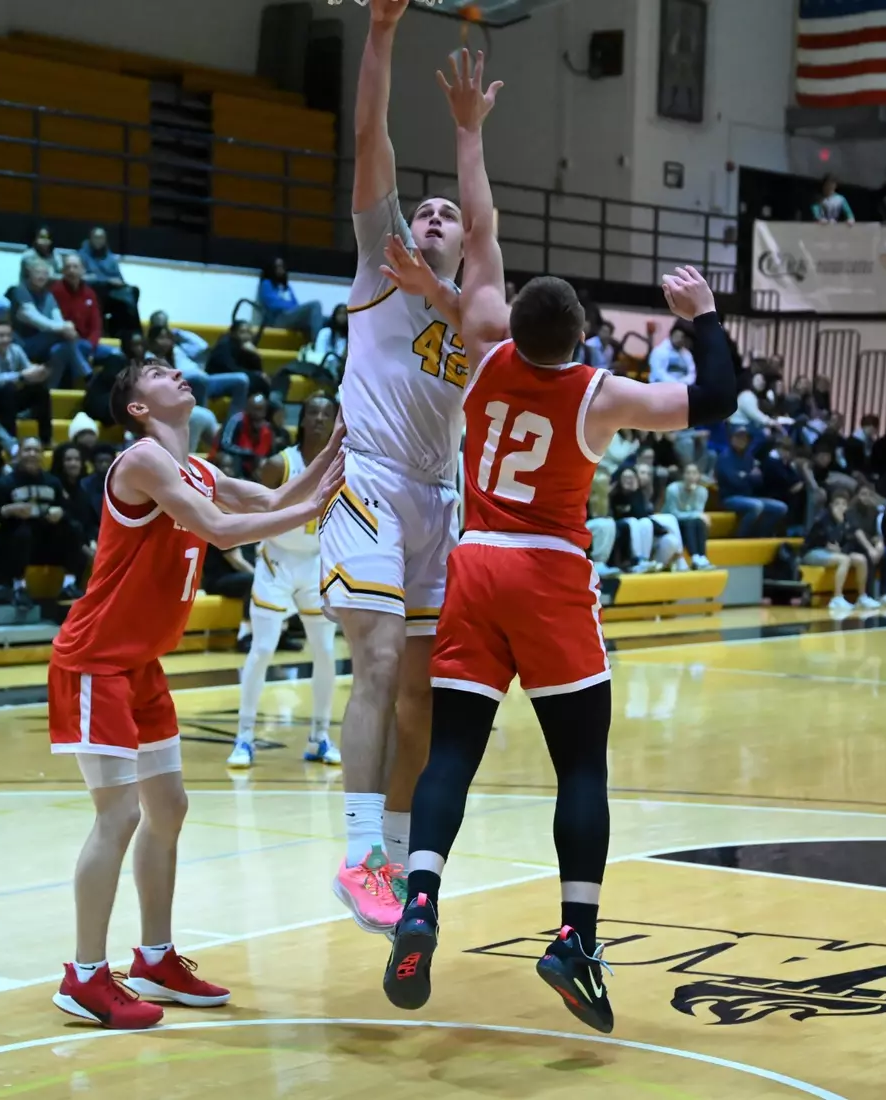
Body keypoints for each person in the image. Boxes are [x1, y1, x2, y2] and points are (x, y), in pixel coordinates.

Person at [373, 50, 739, 1033]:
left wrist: (466, 131)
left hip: (473, 561)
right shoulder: (597, 393)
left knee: (454, 746)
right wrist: (701, 320)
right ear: (579, 337)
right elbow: (713, 400)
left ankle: (418, 894)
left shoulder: (481, 350)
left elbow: (480, 231)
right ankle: (576, 933)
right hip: (546, 573)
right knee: (580, 762)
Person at [46, 356, 344, 1030]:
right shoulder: (143, 461)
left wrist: (338, 446)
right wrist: (317, 503)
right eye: (157, 373)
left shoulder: (198, 469)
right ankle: (85, 975)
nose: (176, 374)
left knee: (169, 806)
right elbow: (222, 529)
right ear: (139, 407)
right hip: (96, 659)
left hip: (141, 663)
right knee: (119, 815)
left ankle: (155, 959)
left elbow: (268, 501)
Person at [319, 0, 472, 932]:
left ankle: (407, 852)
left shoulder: (469, 311)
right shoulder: (382, 260)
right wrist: (381, 32)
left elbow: (485, 319)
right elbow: (370, 133)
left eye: (447, 212)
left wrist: (450, 291)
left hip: (437, 503)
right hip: (370, 481)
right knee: (374, 662)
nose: (431, 213)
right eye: (424, 206)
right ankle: (358, 850)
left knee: (422, 689)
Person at [230, 395, 344, 768]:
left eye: (328, 413)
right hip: (276, 561)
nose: (320, 418)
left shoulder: (344, 465)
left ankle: (319, 737)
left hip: (316, 562)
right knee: (263, 650)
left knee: (326, 653)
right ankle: (244, 737)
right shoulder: (280, 463)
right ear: (302, 418)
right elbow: (255, 510)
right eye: (313, 411)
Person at [0, 438, 88, 609]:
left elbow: (70, 512)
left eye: (36, 450)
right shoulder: (5, 483)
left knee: (73, 528)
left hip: (45, 544)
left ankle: (68, 585)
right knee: (22, 532)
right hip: (13, 544)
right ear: (19, 454)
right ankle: (19, 587)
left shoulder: (53, 482)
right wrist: (8, 510)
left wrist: (61, 513)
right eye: (28, 450)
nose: (32, 454)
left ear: (42, 455)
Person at [0, 318, 54, 448]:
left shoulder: (15, 349)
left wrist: (39, 372)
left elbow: (28, 369)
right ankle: (11, 439)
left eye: (8, 335)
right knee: (8, 389)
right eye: (1, 335)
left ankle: (46, 439)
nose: (5, 339)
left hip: (10, 396)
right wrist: (22, 376)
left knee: (40, 390)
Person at [13, 254, 91, 385]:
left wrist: (66, 327)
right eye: (38, 272)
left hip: (45, 342)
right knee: (64, 338)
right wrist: (64, 328)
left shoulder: (48, 294)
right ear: (29, 273)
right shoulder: (20, 290)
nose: (42, 276)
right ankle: (86, 374)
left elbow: (57, 317)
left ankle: (50, 390)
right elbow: (35, 319)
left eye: (45, 273)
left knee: (62, 348)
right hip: (23, 344)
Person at [803, 490, 873, 612]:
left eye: (843, 504)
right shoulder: (822, 518)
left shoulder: (848, 519)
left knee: (861, 559)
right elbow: (828, 541)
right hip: (813, 552)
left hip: (834, 553)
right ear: (831, 506)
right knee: (844, 560)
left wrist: (842, 548)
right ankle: (837, 598)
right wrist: (839, 524)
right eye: (837, 504)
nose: (840, 507)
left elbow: (849, 542)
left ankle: (862, 596)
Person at [716, 426, 786, 537]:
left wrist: (744, 476)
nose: (742, 441)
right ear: (732, 438)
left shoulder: (749, 458)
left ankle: (762, 536)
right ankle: (740, 538)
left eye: (745, 438)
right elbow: (733, 481)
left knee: (780, 507)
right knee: (756, 506)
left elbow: (759, 481)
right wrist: (749, 476)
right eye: (739, 437)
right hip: (729, 498)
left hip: (749, 496)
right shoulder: (724, 457)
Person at [78, 227, 139, 341]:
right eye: (96, 237)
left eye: (101, 238)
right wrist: (106, 280)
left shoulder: (110, 257)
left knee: (133, 291)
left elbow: (119, 279)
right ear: (90, 239)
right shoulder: (82, 255)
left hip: (111, 293)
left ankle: (132, 332)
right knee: (100, 290)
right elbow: (82, 278)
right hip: (92, 293)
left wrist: (117, 283)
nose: (98, 240)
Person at [257, 257, 327, 343]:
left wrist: (290, 305)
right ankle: (318, 346)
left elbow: (295, 304)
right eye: (278, 266)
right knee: (316, 305)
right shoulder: (266, 284)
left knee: (325, 319)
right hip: (278, 320)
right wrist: (290, 305)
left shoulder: (287, 287)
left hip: (289, 317)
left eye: (282, 266)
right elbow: (272, 305)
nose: (281, 269)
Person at [662, 464, 712, 569]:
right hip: (672, 522)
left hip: (691, 523)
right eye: (688, 473)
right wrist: (695, 515)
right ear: (683, 475)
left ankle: (702, 557)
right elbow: (674, 513)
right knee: (692, 521)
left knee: (698, 522)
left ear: (699, 476)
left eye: (694, 473)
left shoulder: (702, 492)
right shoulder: (672, 489)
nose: (691, 476)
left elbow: (698, 512)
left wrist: (696, 514)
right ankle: (694, 557)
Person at [218, 394, 276, 480]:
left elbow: (270, 453)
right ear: (247, 408)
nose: (257, 413)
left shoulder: (267, 428)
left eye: (260, 409)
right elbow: (224, 444)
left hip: (254, 459)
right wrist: (246, 452)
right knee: (227, 460)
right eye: (255, 409)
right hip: (234, 456)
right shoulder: (236, 420)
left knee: (265, 464)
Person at [207, 320, 270, 398]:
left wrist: (255, 355)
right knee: (257, 381)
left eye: (249, 332)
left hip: (235, 382)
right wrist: (257, 375)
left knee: (260, 383)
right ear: (233, 334)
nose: (247, 336)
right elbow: (230, 370)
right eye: (242, 332)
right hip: (216, 382)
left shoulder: (245, 348)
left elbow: (257, 370)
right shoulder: (224, 346)